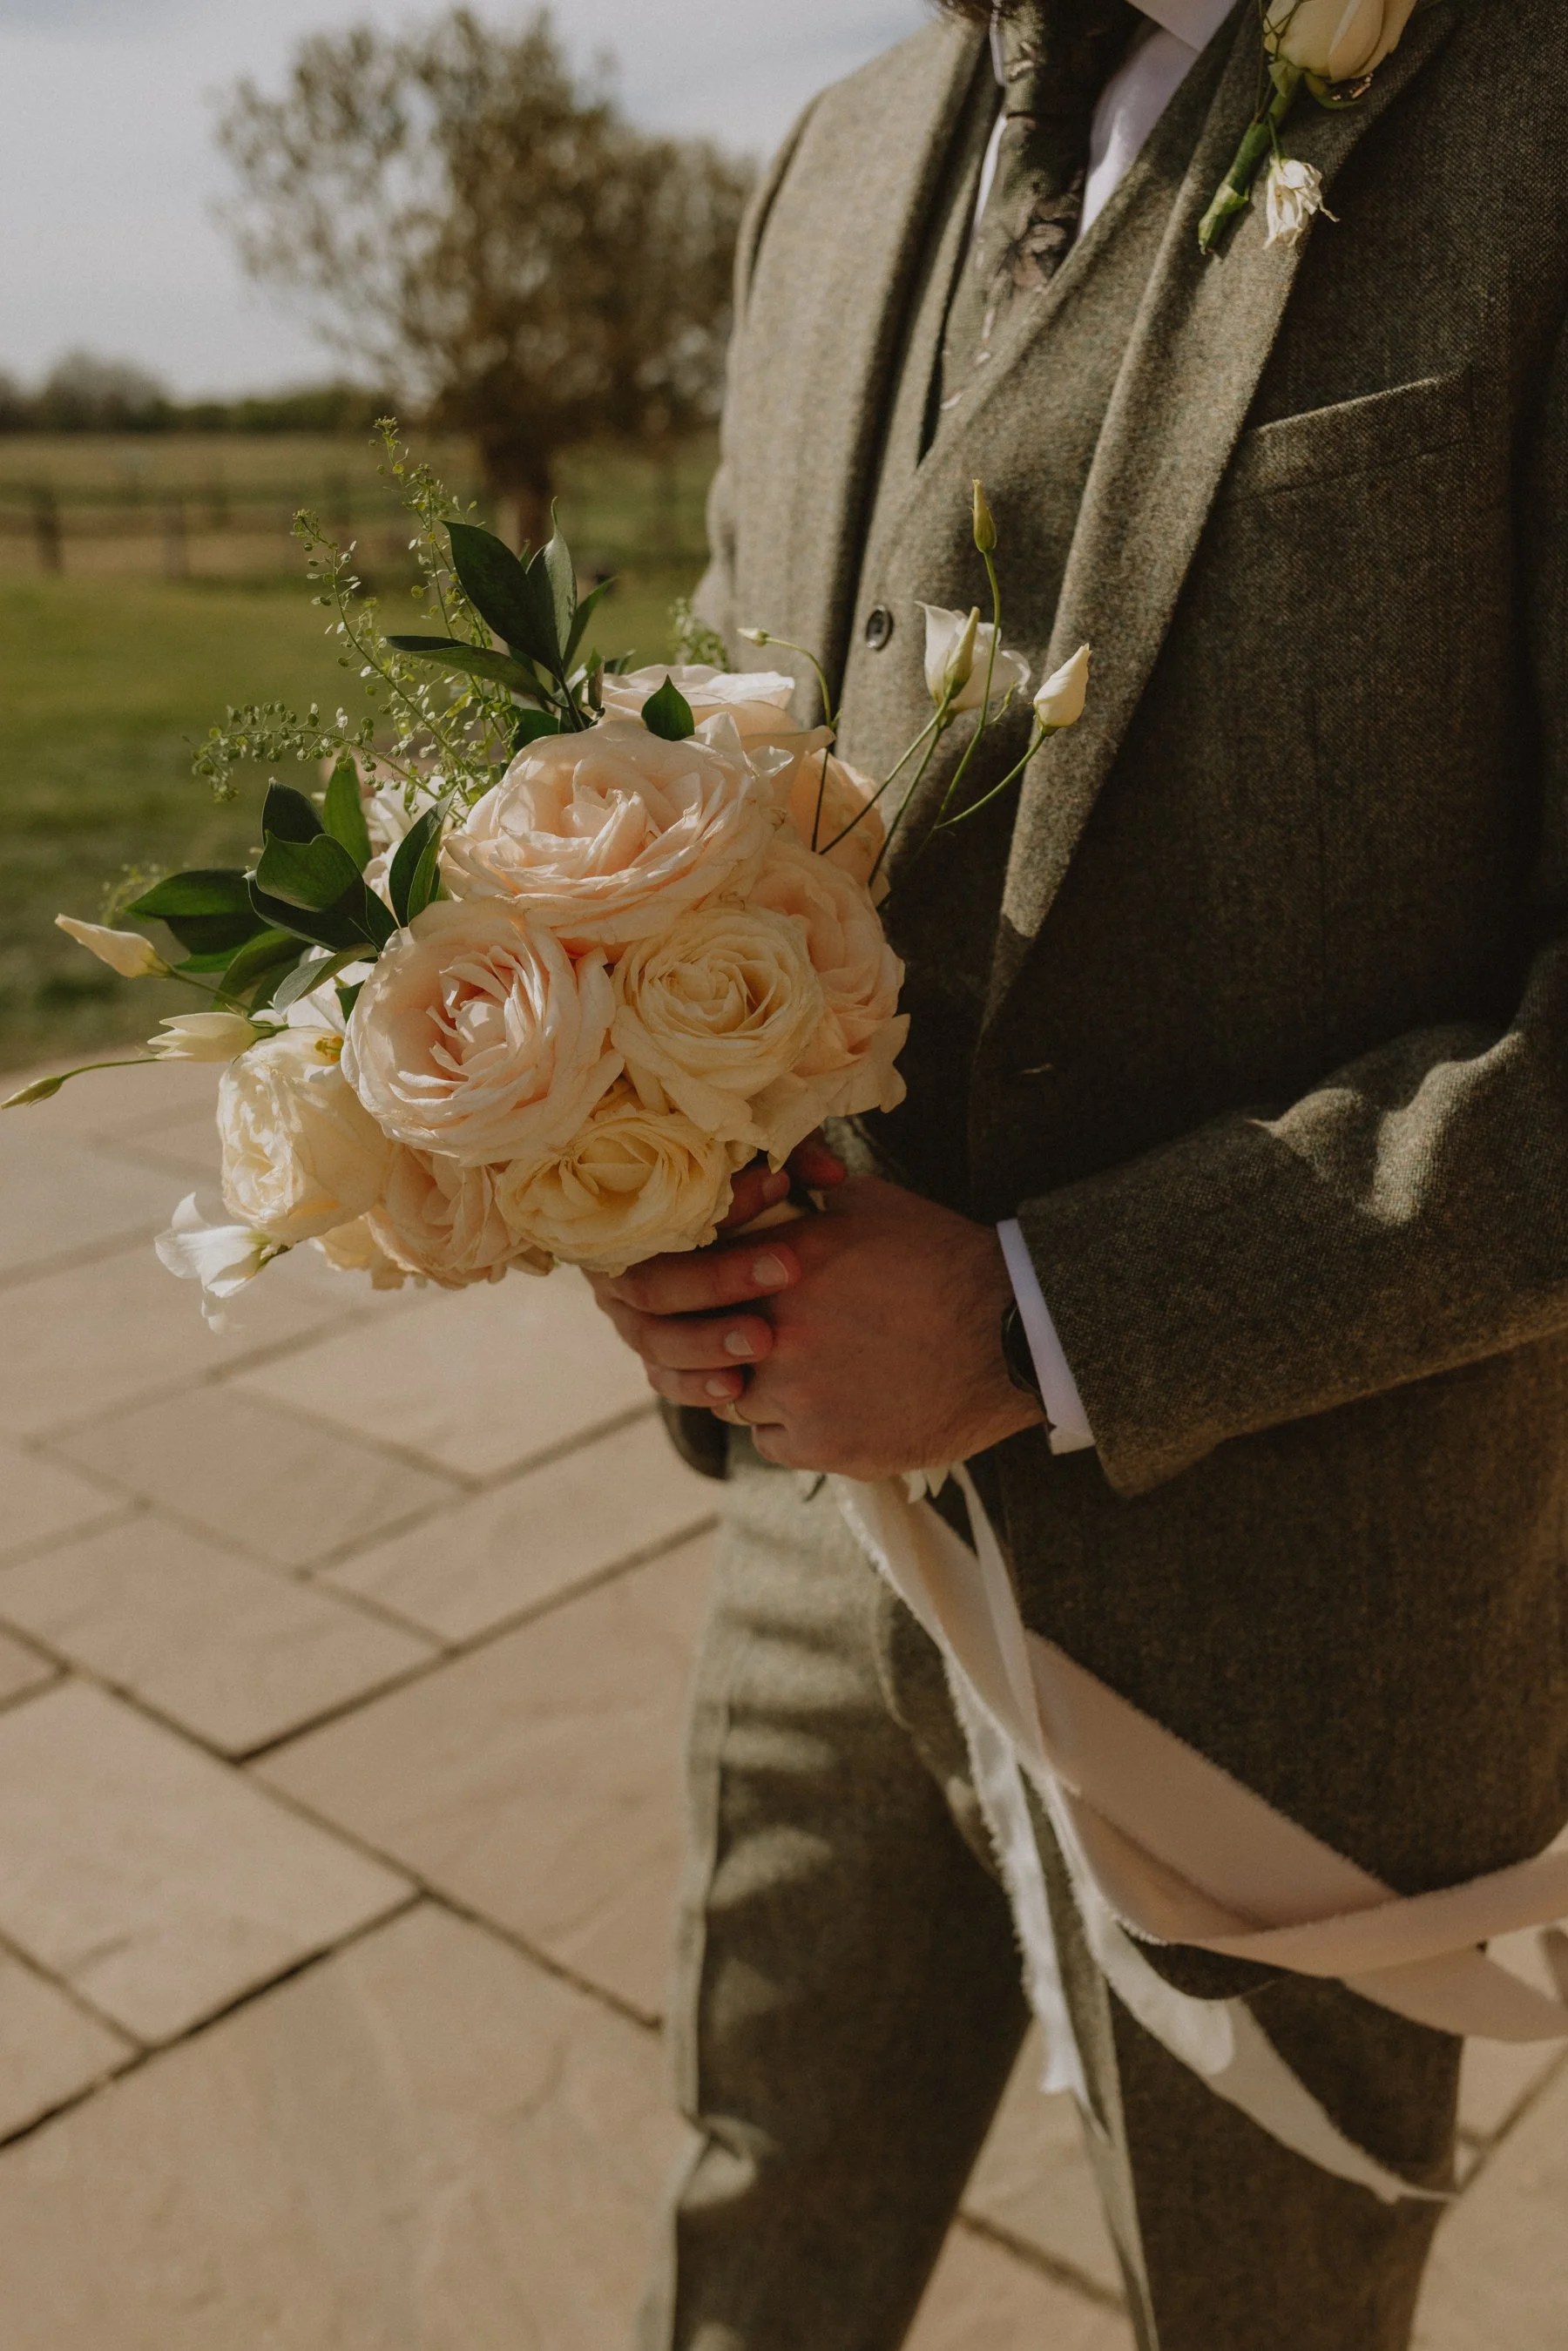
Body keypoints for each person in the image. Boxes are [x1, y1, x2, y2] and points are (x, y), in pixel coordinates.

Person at [588, 1, 1568, 2343]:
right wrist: (633, 1160)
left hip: (1304, 1631)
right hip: (820, 1533)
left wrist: (1054, 1319)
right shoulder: (827, 164)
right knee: (746, 2254)